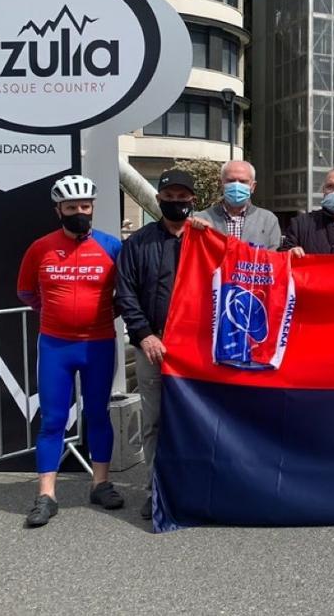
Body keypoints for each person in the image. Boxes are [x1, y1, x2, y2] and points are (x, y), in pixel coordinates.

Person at [16, 175, 124, 527]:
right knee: (53, 420)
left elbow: (125, 293)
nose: (79, 212)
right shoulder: (40, 248)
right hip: (55, 345)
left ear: (92, 208)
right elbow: (27, 293)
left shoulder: (111, 246)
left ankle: (101, 483)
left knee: (98, 413)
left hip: (99, 343)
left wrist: (104, 315)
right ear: (58, 210)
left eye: (84, 206)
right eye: (71, 207)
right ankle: (46, 495)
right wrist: (56, 314)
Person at [115, 168, 201, 520]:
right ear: (159, 200)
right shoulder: (138, 243)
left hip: (197, 348)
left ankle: (193, 487)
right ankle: (156, 489)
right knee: (153, 421)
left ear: (193, 201)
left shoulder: (206, 240)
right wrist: (144, 334)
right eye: (169, 198)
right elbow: (125, 292)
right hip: (154, 344)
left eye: (183, 199)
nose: (176, 204)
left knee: (196, 420)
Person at [198, 160, 281, 249]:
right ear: (221, 184)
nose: (236, 186)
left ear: (253, 187)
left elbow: (274, 258)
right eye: (231, 181)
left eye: (243, 181)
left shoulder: (268, 220)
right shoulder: (202, 219)